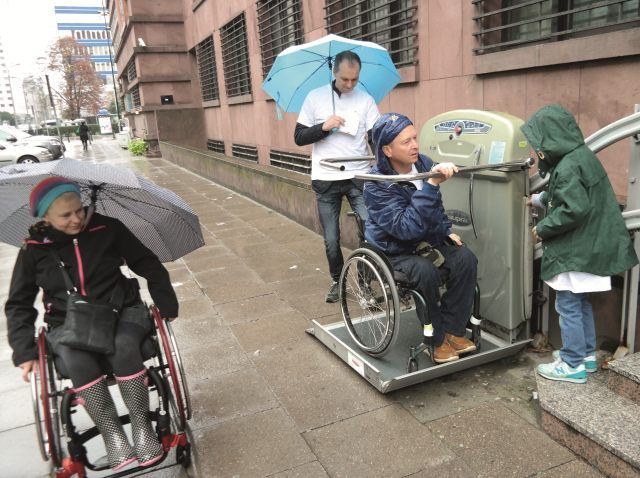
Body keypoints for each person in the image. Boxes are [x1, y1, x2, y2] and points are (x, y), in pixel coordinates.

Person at [5, 177, 179, 471]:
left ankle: (141, 428)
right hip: (66, 320)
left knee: (123, 347)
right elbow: (19, 302)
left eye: (79, 210)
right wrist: (24, 352)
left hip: (122, 310)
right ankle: (113, 436)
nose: (76, 219)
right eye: (65, 215)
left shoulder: (107, 228)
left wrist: (166, 302)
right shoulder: (34, 248)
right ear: (44, 217)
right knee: (76, 357)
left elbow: (146, 262)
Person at [523, 105, 638, 383]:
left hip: (578, 249)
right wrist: (540, 199)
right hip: (592, 246)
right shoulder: (580, 156)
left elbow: (573, 208)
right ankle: (585, 355)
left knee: (568, 305)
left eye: (537, 143)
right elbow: (568, 193)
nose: (536, 150)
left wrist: (543, 227)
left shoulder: (568, 165)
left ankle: (572, 363)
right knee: (581, 302)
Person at [363, 113, 478, 363]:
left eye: (414, 138)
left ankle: (452, 331)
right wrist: (432, 184)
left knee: (466, 259)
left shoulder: (424, 163)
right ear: (387, 150)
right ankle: (434, 341)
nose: (415, 145)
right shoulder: (376, 184)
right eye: (406, 142)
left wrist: (446, 230)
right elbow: (406, 230)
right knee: (426, 272)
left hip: (427, 242)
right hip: (395, 250)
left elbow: (436, 208)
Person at [294, 50, 380, 303]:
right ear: (334, 72)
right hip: (326, 177)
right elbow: (298, 137)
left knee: (370, 232)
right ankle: (338, 280)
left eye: (354, 79)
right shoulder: (315, 97)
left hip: (359, 175)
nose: (350, 85)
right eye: (345, 80)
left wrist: (384, 167)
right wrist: (323, 127)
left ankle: (365, 283)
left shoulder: (365, 100)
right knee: (332, 239)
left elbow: (375, 137)